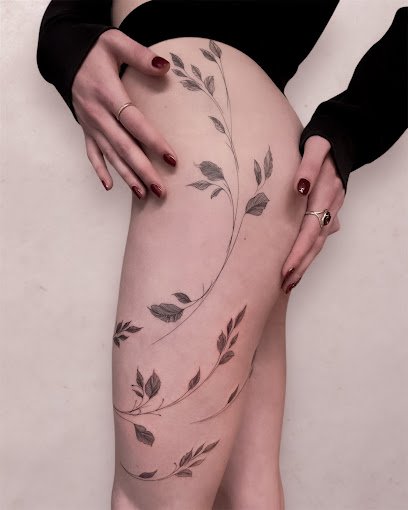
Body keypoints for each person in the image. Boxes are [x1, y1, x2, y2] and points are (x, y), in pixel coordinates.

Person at [36, 1, 407, 509]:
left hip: (219, 163)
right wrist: (68, 45)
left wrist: (353, 127)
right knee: (247, 496)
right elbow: (73, 17)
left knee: (150, 502)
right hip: (241, 159)